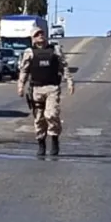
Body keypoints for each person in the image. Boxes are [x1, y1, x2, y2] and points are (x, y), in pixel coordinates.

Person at [17, 27, 75, 156]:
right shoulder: (29, 53)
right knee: (39, 118)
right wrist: (21, 86)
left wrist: (70, 81)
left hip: (52, 88)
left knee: (51, 114)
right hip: (36, 89)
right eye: (37, 34)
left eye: (42, 33)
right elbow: (24, 70)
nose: (40, 36)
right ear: (33, 38)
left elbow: (64, 67)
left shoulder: (55, 50)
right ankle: (41, 143)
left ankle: (54, 139)